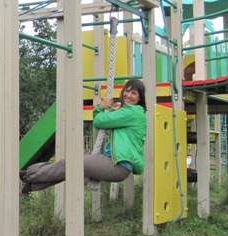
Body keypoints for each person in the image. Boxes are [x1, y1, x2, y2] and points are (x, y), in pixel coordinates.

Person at [19, 79, 147, 194]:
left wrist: (100, 107)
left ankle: (26, 175)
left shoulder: (133, 112)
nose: (128, 95)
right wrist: (100, 108)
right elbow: (105, 118)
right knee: (71, 170)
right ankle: (30, 185)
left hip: (118, 166)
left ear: (140, 98)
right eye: (127, 91)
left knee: (71, 163)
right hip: (114, 163)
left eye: (134, 93)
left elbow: (99, 121)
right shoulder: (128, 114)